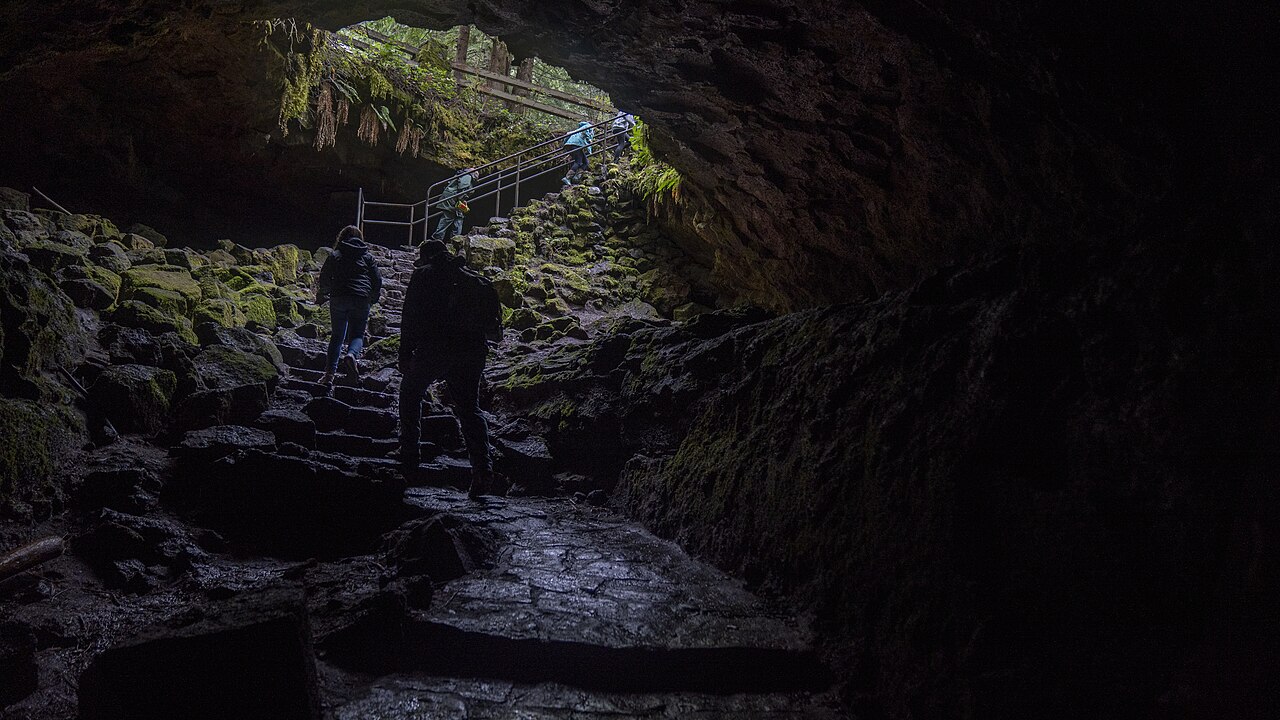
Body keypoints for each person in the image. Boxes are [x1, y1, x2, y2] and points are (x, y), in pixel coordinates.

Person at [398, 240, 502, 498]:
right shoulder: (471, 278)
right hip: (472, 350)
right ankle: (482, 469)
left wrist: (404, 353)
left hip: (435, 347)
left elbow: (409, 317)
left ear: (426, 257)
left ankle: (410, 456)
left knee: (410, 393)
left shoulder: (423, 276)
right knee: (469, 409)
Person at [316, 225, 382, 387]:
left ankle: (329, 375)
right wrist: (373, 297)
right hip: (361, 298)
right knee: (357, 336)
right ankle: (352, 355)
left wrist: (325, 292)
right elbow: (377, 280)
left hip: (339, 297)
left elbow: (324, 277)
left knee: (337, 337)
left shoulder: (336, 254)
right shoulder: (367, 256)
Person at [430, 168, 478, 244]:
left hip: (453, 198)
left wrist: (462, 201)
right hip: (452, 198)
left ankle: (455, 240)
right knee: (448, 217)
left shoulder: (463, 175)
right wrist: (461, 199)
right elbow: (462, 188)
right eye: (476, 173)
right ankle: (437, 239)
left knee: (458, 217)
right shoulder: (467, 176)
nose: (477, 175)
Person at [561, 121, 595, 185]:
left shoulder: (578, 130)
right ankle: (567, 177)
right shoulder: (588, 126)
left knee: (586, 162)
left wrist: (565, 146)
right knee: (578, 162)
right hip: (576, 145)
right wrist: (589, 139)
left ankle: (576, 177)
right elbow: (586, 133)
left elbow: (568, 134)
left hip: (571, 145)